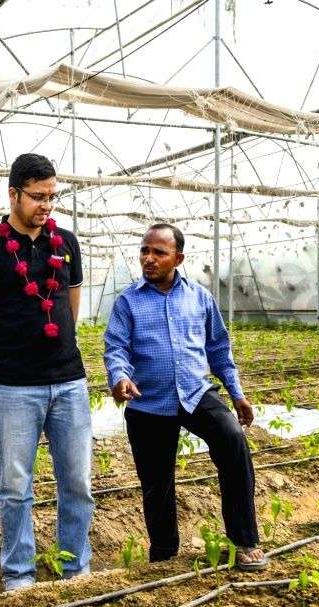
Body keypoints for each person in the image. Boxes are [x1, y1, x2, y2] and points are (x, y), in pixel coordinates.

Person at [0, 153, 94, 591]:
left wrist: (60, 350)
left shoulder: (66, 244)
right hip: (15, 388)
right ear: (13, 194)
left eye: (52, 196)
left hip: (69, 383)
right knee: (16, 488)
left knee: (76, 482)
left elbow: (70, 307)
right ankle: (19, 575)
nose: (46, 205)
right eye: (37, 197)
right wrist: (3, 366)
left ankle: (75, 569)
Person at [103, 223, 268, 570]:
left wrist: (236, 394)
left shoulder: (199, 297)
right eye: (144, 251)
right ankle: (164, 553)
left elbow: (218, 348)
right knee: (156, 482)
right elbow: (116, 348)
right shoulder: (128, 302)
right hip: (148, 399)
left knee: (233, 441)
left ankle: (244, 539)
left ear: (178, 258)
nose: (148, 258)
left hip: (195, 392)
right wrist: (120, 378)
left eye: (158, 252)